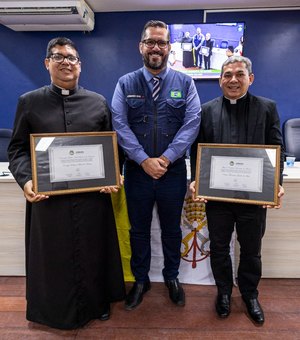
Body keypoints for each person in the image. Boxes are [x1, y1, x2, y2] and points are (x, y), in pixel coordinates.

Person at [8, 37, 126, 330]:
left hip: (91, 200)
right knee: (54, 257)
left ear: (80, 66)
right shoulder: (29, 102)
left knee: (93, 251)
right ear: (47, 63)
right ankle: (52, 311)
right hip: (49, 202)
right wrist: (26, 180)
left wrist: (115, 174)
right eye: (57, 57)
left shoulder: (98, 102)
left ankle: (97, 304)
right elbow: (17, 150)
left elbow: (113, 149)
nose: (65, 62)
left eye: (71, 57)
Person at [111, 20, 201, 310]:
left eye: (161, 42)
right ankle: (140, 280)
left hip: (172, 172)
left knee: (172, 230)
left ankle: (172, 277)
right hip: (137, 173)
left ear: (169, 48)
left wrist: (165, 158)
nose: (156, 47)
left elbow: (192, 123)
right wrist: (143, 160)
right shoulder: (125, 83)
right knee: (138, 230)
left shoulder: (185, 83)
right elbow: (120, 124)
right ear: (141, 46)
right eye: (150, 41)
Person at [190, 56, 284, 325]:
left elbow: (276, 148)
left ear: (250, 78)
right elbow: (198, 149)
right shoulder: (206, 110)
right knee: (219, 248)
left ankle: (250, 295)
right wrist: (197, 179)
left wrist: (275, 183)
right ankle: (223, 293)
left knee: (251, 250)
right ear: (220, 79)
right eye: (227, 74)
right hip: (217, 198)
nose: (233, 79)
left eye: (239, 74)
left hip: (253, 199)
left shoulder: (267, 108)